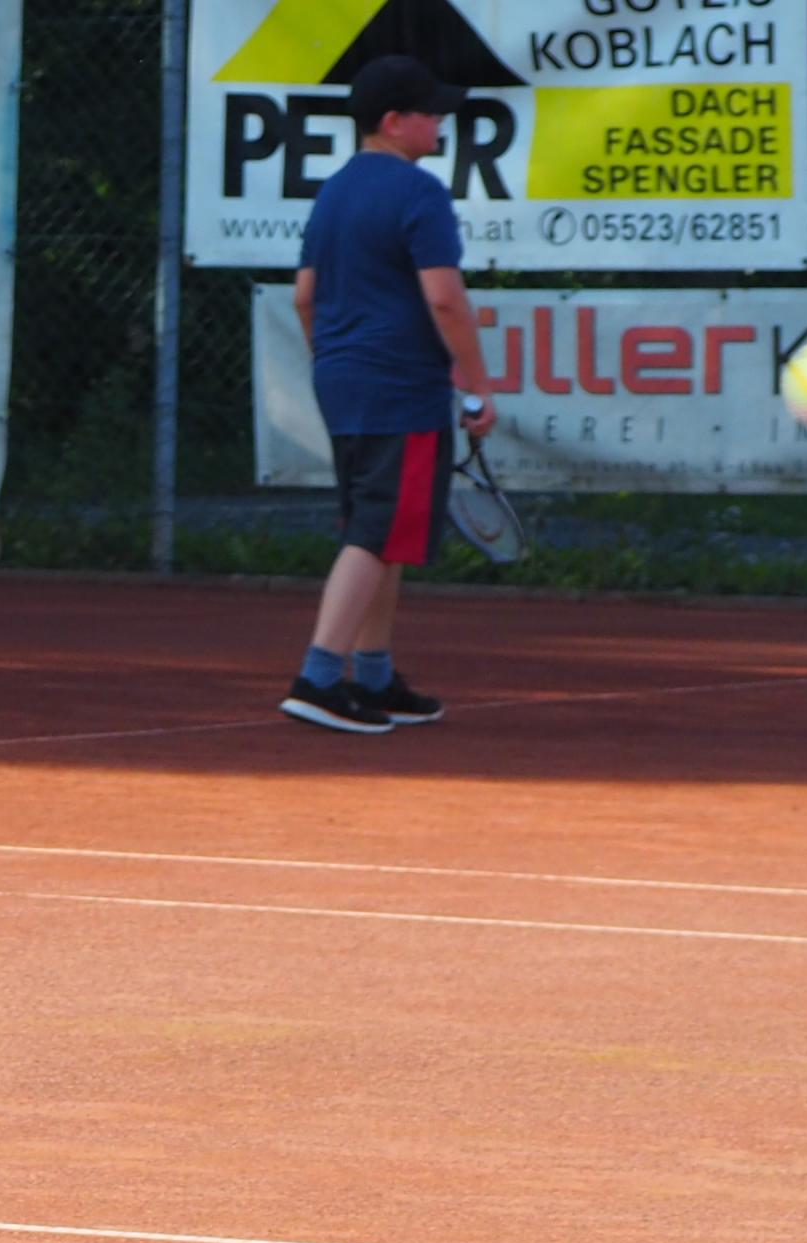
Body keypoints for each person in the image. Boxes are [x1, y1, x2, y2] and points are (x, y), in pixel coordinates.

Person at [282, 54, 497, 736]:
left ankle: (373, 675)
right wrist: (476, 384)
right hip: (400, 384)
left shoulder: (333, 191)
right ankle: (319, 678)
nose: (441, 123)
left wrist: (334, 361)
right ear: (395, 121)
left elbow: (306, 296)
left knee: (383, 528)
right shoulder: (419, 192)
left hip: (342, 378)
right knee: (377, 531)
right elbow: (446, 300)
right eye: (430, 113)